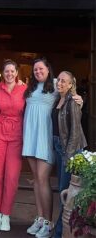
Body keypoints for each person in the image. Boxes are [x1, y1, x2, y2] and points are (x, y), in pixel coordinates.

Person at [22, 58, 83, 238]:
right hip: (30, 137)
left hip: (45, 138)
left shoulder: (57, 84)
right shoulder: (30, 88)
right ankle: (40, 218)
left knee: (43, 179)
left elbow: (71, 93)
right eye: (35, 70)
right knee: (36, 179)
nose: (38, 72)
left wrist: (80, 99)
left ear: (48, 70)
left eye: (41, 69)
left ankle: (48, 223)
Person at [0, 60, 27, 232]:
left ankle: (6, 214)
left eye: (12, 71)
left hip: (16, 135)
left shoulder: (25, 89)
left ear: (16, 72)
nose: (9, 74)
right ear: (2, 73)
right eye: (6, 71)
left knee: (11, 177)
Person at [52, 71, 87, 238]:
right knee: (62, 191)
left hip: (69, 150)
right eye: (58, 80)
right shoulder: (58, 98)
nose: (59, 83)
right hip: (60, 148)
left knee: (65, 193)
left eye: (63, 81)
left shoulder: (72, 102)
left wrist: (69, 157)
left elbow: (74, 133)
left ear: (71, 84)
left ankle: (60, 233)